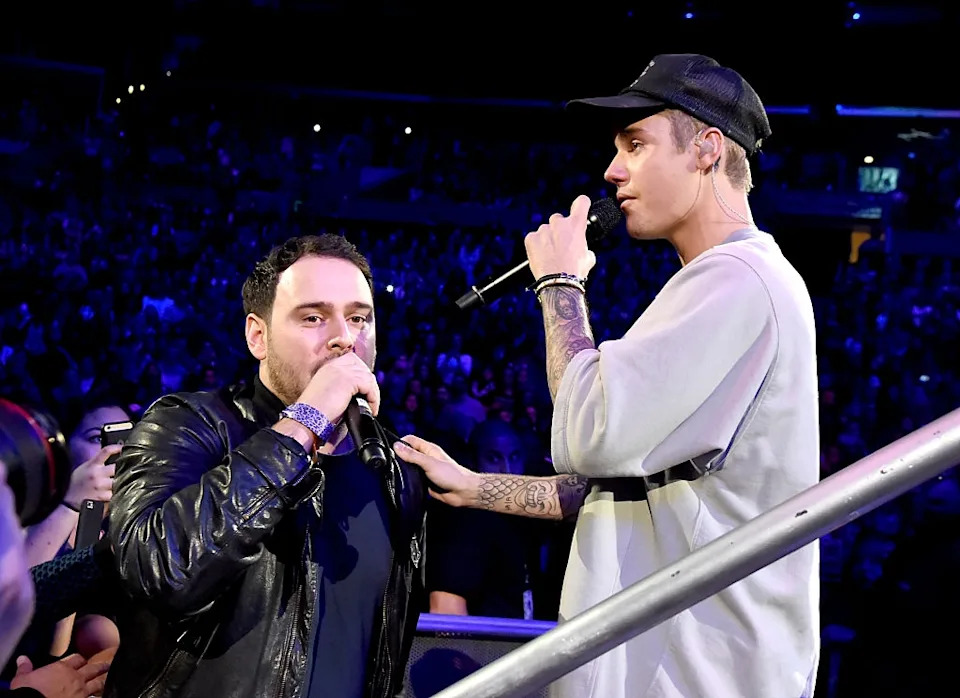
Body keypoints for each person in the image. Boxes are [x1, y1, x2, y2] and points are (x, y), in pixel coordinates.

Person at [395, 53, 820, 697]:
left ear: (706, 149)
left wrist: (560, 284)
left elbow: (588, 433)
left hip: (691, 677)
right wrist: (479, 488)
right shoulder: (731, 281)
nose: (612, 169)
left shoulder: (736, 281)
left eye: (636, 144)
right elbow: (616, 480)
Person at [104, 234, 427, 698]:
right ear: (258, 336)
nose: (345, 338)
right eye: (313, 318)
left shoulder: (395, 471)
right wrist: (305, 423)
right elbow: (159, 570)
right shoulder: (188, 425)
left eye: (359, 318)